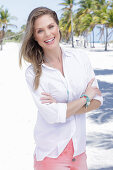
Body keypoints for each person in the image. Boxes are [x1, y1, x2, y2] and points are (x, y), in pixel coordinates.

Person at [19, 7, 103, 170]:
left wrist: (62, 108)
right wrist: (85, 98)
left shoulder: (80, 58)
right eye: (40, 31)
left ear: (58, 27)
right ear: (34, 37)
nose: (48, 34)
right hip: (51, 155)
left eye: (51, 27)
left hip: (79, 152)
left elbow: (98, 99)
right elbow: (52, 116)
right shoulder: (34, 73)